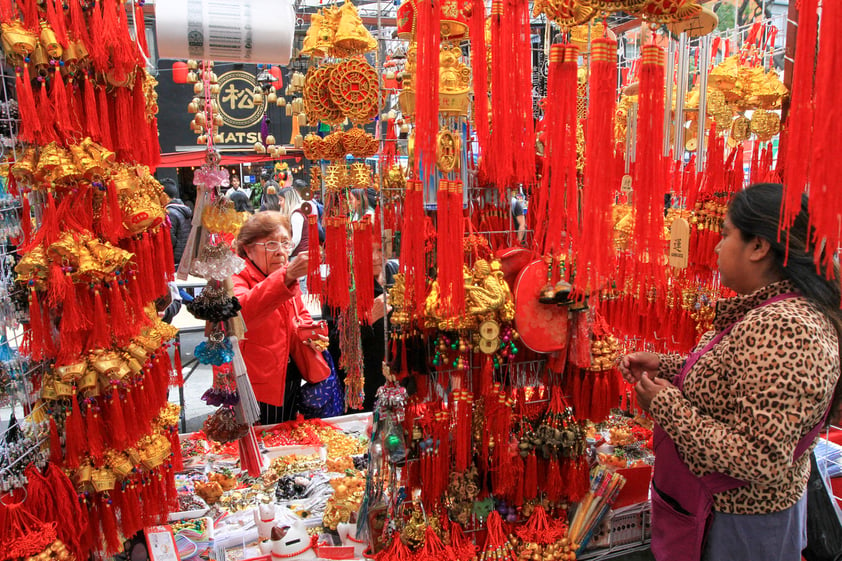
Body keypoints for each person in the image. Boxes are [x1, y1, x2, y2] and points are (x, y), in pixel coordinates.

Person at [619, 183, 841, 561]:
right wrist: (669, 367)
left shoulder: (784, 327)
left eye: (725, 236)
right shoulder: (766, 312)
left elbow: (762, 458)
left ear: (759, 247)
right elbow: (734, 381)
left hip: (741, 525)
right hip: (724, 515)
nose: (717, 248)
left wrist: (667, 404)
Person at [232, 212, 324, 425]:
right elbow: (241, 312)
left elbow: (300, 313)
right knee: (259, 440)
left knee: (284, 436)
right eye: (271, 244)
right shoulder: (237, 275)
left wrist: (312, 333)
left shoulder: (285, 275)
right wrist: (287, 276)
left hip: (289, 376)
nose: (281, 251)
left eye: (285, 243)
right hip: (255, 381)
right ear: (248, 249)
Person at [161, 178, 193, 267]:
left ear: (164, 195)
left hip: (175, 259)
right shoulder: (182, 208)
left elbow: (170, 240)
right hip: (184, 256)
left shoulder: (169, 212)